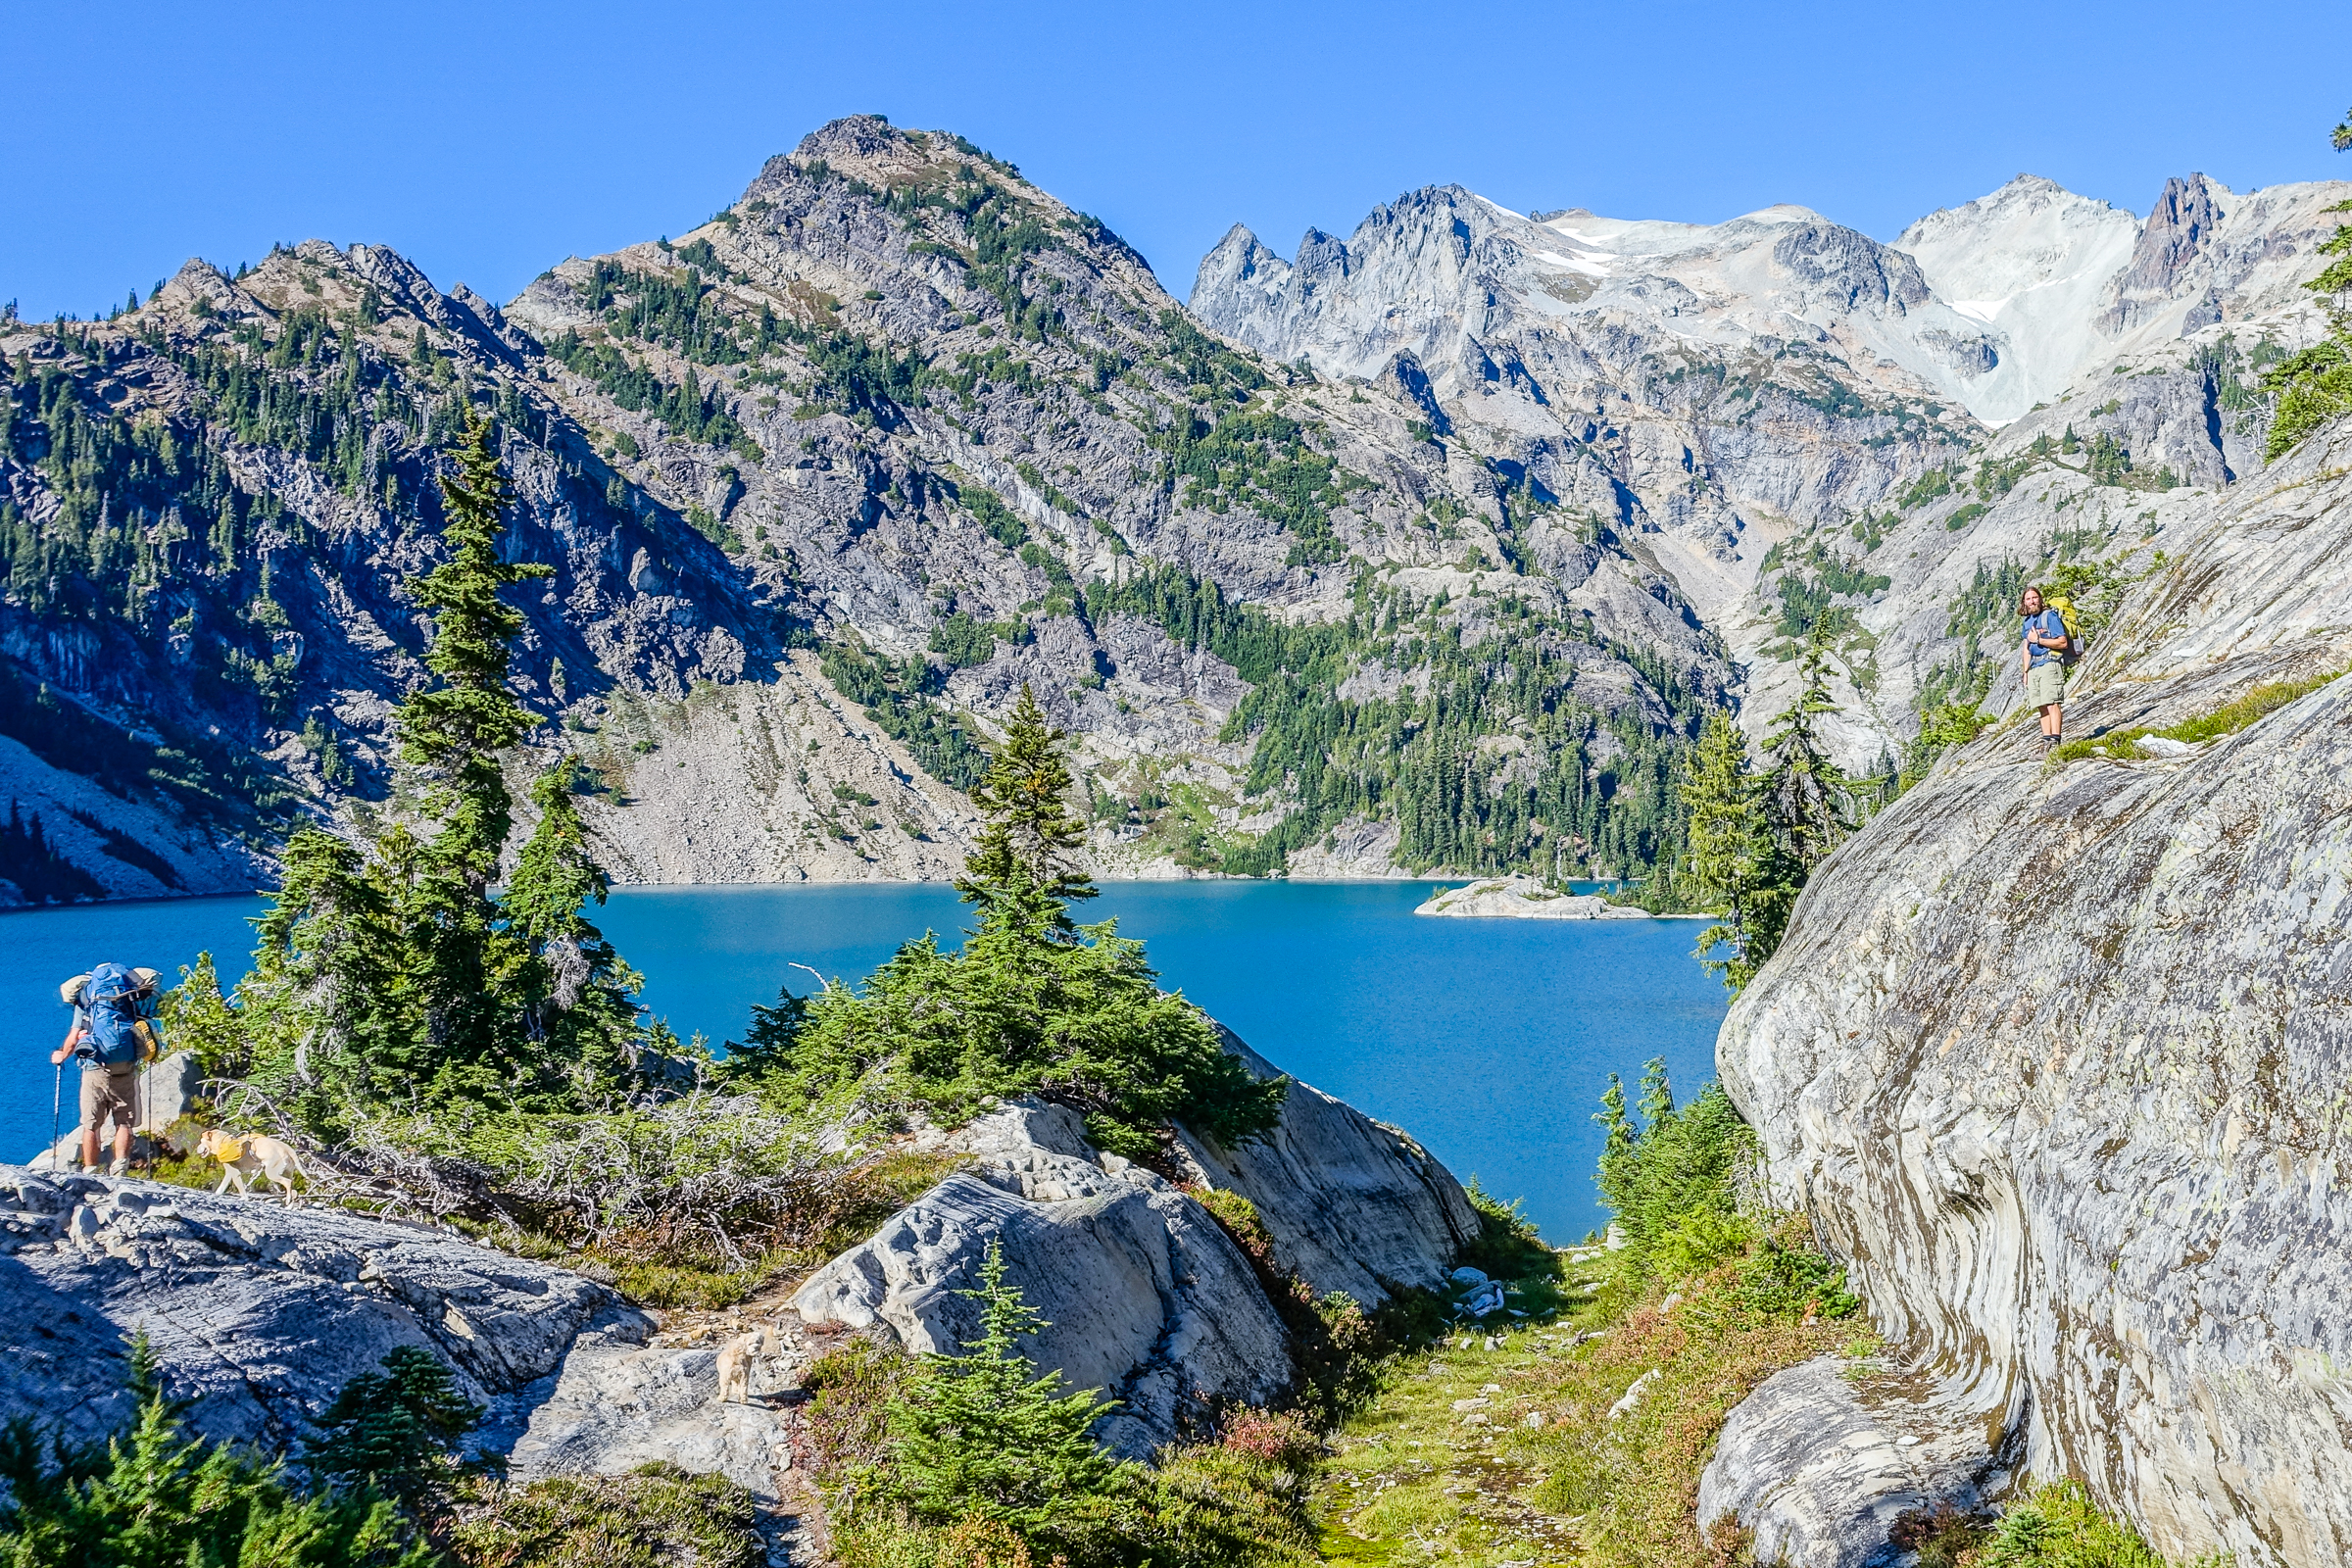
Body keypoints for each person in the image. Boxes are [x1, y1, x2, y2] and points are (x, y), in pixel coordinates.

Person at [52, 965, 160, 1176]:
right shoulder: (129, 998)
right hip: (126, 1067)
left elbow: (74, 1038)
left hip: (95, 1067)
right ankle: (120, 1167)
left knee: (91, 1124)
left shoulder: (87, 1000)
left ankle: (90, 1169)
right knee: (124, 1121)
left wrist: (61, 1056)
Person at [2020, 586, 2070, 758]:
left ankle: (2056, 743)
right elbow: (2026, 647)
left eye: (2035, 598)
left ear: (2040, 599)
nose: (2032, 601)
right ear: (2024, 603)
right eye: (2028, 599)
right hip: (2034, 667)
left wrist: (2039, 639)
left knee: (2052, 703)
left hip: (2050, 663)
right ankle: (2046, 743)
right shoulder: (2027, 621)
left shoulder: (2050, 617)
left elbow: (2063, 642)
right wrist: (2025, 672)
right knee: (2041, 706)